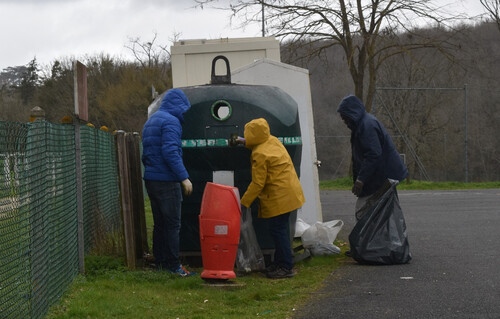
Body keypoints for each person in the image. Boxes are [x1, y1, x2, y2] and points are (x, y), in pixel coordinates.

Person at [239, 118, 305, 279]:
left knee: (278, 230)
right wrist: (244, 142)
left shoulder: (259, 154)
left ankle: (285, 266)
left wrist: (243, 202)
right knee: (280, 229)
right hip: (290, 192)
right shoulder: (272, 140)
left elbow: (257, 183)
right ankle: (282, 262)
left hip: (279, 196)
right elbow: (259, 141)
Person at [142, 88, 195, 277]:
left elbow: (146, 153)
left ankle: (161, 263)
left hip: (151, 179)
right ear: (178, 105)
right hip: (167, 181)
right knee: (173, 225)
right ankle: (174, 266)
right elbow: (170, 151)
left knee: (160, 224)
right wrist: (184, 178)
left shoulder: (151, 121)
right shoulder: (171, 122)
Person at [337, 94, 408, 221]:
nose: (345, 123)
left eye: (345, 118)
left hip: (383, 177)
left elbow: (373, 154)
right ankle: (382, 238)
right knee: (383, 214)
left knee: (368, 211)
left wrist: (361, 180)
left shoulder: (366, 126)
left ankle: (373, 239)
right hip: (382, 176)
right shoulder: (363, 124)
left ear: (352, 114)